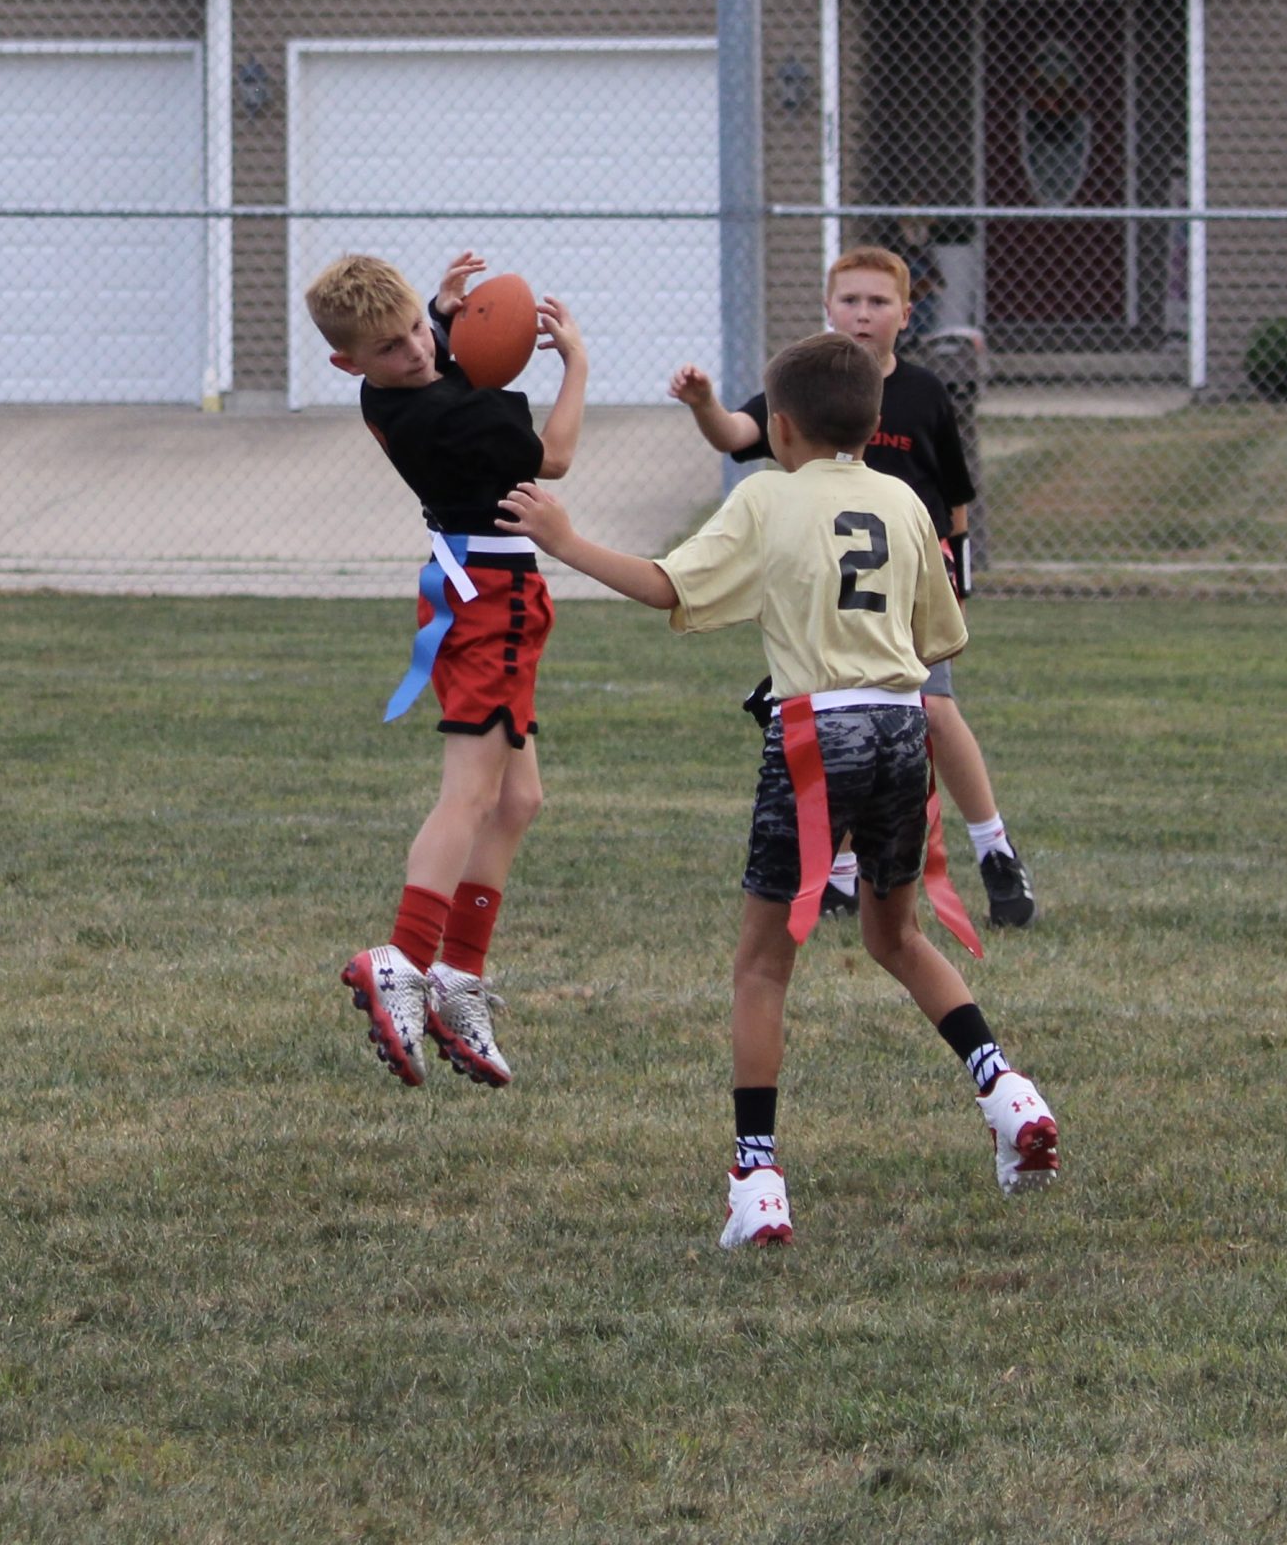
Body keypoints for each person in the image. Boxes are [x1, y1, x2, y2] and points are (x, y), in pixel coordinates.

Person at [499, 333, 1059, 1249]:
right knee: (896, 935)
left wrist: (566, 541)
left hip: (816, 736)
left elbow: (666, 586)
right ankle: (1007, 1093)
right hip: (902, 728)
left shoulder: (765, 496)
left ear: (780, 428)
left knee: (763, 965)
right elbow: (938, 639)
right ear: (872, 423)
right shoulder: (903, 500)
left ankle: (756, 1180)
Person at [669, 244, 1036, 930]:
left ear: (906, 313)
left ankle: (994, 847)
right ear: (827, 308)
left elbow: (955, 497)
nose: (862, 314)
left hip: (905, 580)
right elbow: (737, 433)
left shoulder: (924, 393)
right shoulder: (809, 385)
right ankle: (838, 874)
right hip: (828, 585)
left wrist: (955, 571)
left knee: (932, 707)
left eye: (877, 302)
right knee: (835, 713)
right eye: (850, 300)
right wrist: (704, 403)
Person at [304, 248, 587, 1090]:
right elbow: (554, 459)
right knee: (469, 795)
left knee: (518, 799)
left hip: (481, 591)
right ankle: (401, 959)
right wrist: (575, 364)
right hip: (488, 599)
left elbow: (429, 354)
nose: (417, 350)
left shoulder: (391, 387)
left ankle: (457, 975)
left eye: (416, 331)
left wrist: (441, 308)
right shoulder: (457, 419)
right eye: (391, 348)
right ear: (347, 365)